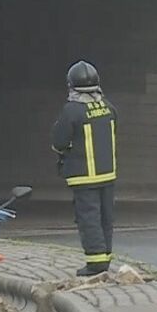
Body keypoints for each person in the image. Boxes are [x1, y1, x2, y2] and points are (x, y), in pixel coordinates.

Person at [51, 60, 118, 277]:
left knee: (89, 219)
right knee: (105, 218)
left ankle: (95, 263)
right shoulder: (108, 107)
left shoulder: (72, 111)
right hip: (108, 174)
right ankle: (105, 259)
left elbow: (59, 141)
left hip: (84, 176)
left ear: (71, 85)